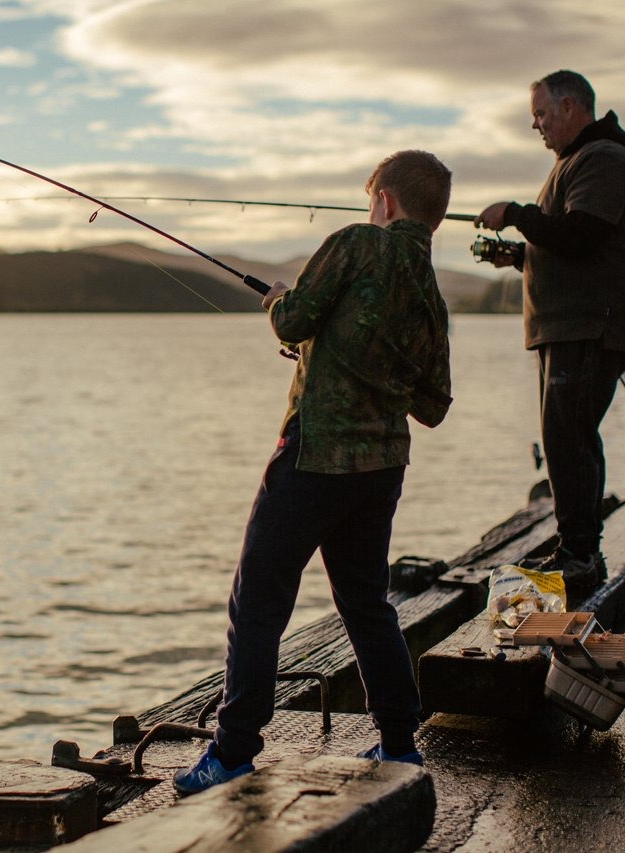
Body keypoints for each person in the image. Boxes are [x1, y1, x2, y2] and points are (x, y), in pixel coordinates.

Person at [173, 150, 453, 795]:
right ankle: (400, 745)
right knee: (366, 604)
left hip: (314, 456)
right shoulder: (432, 291)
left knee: (258, 601)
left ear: (384, 200)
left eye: (370, 199)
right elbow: (433, 406)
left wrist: (278, 302)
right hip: (382, 466)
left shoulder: (357, 243)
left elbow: (296, 317)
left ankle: (234, 751)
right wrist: (367, 362)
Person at [476, 70, 625, 596]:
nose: (537, 126)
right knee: (564, 438)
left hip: (588, 328)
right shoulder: (575, 162)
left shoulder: (605, 159)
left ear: (571, 107)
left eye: (542, 115)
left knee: (569, 438)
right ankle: (576, 548)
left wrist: (517, 214)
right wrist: (520, 255)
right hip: (564, 328)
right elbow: (565, 247)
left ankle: (581, 557)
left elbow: (581, 238)